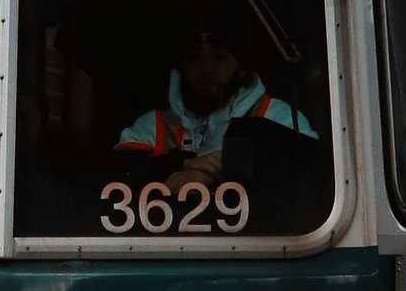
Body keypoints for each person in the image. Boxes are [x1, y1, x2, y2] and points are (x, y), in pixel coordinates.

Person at [117, 13, 318, 206]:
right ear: (181, 67)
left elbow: (310, 172)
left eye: (218, 56)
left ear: (240, 66)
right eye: (194, 57)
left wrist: (220, 168)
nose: (206, 68)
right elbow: (119, 175)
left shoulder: (277, 116)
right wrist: (182, 165)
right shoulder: (152, 125)